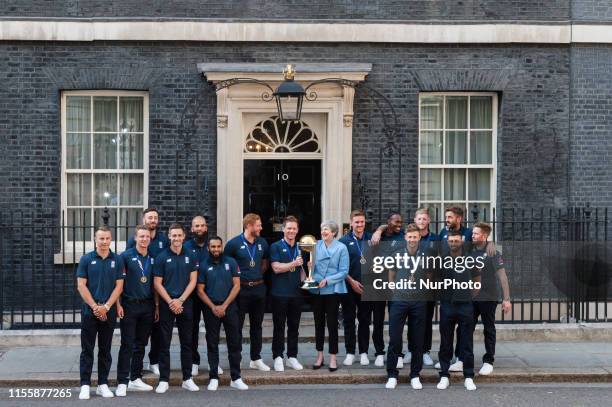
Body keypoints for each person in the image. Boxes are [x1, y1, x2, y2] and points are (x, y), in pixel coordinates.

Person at [76, 226, 125, 400]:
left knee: (105, 349)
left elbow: (119, 286)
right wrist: (96, 307)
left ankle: (103, 384)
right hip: (90, 311)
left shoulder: (117, 260)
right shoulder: (86, 259)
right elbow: (81, 285)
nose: (104, 242)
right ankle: (85, 384)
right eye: (101, 239)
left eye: (107, 239)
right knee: (87, 349)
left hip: (109, 312)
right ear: (95, 239)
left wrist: (107, 307)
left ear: (111, 239)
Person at [385, 224, 434, 390]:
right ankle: (392, 374)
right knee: (395, 339)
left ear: (419, 237)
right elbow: (391, 274)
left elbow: (429, 277)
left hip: (418, 302)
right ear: (405, 237)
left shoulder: (426, 255)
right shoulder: (397, 254)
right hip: (399, 301)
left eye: (415, 237)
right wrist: (393, 287)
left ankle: (415, 375)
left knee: (417, 340)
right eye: (410, 237)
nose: (412, 240)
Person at [197, 236, 248, 391]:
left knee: (234, 342)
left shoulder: (231, 262)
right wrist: (213, 307)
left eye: (218, 246)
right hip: (210, 308)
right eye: (213, 247)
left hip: (230, 307)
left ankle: (236, 377)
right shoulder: (203, 265)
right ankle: (213, 377)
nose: (216, 249)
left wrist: (224, 306)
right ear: (208, 248)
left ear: (222, 247)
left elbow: (237, 286)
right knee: (212, 343)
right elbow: (200, 290)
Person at [153, 223, 199, 393]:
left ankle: (187, 378)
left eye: (179, 235)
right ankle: (164, 379)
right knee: (164, 343)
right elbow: (157, 283)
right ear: (169, 237)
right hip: (167, 304)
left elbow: (193, 280)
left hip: (185, 303)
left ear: (184, 236)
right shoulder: (161, 256)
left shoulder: (191, 255)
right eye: (174, 235)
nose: (177, 238)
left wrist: (180, 300)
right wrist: (171, 301)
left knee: (187, 342)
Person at [224, 213, 271, 371]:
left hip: (258, 288)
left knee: (257, 326)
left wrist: (256, 276)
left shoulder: (262, 242)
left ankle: (256, 358)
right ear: (249, 226)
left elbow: (265, 263)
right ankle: (236, 358)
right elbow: (227, 266)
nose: (261, 228)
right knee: (237, 326)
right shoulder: (233, 244)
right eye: (258, 225)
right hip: (240, 290)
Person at [115, 225, 157, 396]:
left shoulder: (153, 258)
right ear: (135, 238)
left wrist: (156, 306)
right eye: (141, 236)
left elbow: (155, 284)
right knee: (127, 344)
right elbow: (118, 283)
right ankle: (122, 381)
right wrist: (118, 304)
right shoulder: (125, 256)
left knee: (141, 344)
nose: (144, 239)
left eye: (147, 236)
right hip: (129, 305)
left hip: (147, 305)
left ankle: (135, 378)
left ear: (150, 238)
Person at [127, 208, 169, 377]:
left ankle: (154, 361)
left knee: (157, 331)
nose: (153, 220)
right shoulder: (133, 241)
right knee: (137, 336)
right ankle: (135, 367)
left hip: (157, 288)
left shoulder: (163, 240)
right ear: (144, 220)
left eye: (155, 218)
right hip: (137, 290)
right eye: (150, 217)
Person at [437, 231, 480, 391]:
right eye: (451, 241)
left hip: (465, 306)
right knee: (445, 344)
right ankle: (444, 375)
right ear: (448, 242)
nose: (453, 243)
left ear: (461, 241)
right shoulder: (441, 259)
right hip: (447, 305)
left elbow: (477, 281)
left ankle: (468, 376)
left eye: (456, 240)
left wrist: (468, 295)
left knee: (466, 343)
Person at [470, 222, 511, 376]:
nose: (472, 235)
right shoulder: (469, 249)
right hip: (471, 297)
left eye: (475, 233)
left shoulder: (493, 253)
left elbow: (502, 276)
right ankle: (463, 358)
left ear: (484, 236)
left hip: (488, 297)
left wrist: (506, 299)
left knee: (489, 329)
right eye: (472, 233)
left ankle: (488, 361)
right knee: (466, 328)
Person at [338, 210, 376, 366]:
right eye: (357, 222)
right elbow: (339, 266)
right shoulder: (343, 241)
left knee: (365, 321)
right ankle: (349, 352)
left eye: (362, 221)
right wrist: (352, 281)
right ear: (351, 223)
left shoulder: (371, 239)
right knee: (348, 321)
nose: (360, 224)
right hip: (348, 286)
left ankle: (364, 352)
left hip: (366, 287)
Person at [184, 215, 220, 377]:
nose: (199, 229)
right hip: (190, 295)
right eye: (196, 226)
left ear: (206, 228)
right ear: (192, 229)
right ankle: (194, 361)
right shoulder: (185, 247)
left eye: (202, 226)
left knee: (213, 331)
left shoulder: (212, 246)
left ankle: (214, 362)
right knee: (191, 330)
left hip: (209, 294)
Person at [311, 220, 349, 372]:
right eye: (322, 229)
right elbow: (312, 266)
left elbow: (344, 271)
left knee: (332, 325)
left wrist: (328, 280)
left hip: (333, 290)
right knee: (318, 324)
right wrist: (309, 268)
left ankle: (333, 357)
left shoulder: (341, 248)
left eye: (326, 229)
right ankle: (319, 356)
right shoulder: (315, 245)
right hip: (317, 290)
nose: (323, 232)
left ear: (334, 232)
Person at [269, 216, 306, 371]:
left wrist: (307, 269)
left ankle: (292, 356)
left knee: (294, 327)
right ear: (283, 229)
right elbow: (276, 268)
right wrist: (294, 263)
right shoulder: (276, 246)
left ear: (297, 230)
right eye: (288, 228)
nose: (291, 231)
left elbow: (303, 274)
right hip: (280, 293)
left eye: (294, 228)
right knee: (279, 327)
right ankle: (278, 357)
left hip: (296, 293)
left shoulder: (301, 248)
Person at [370, 212, 404, 367]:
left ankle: (397, 353)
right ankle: (379, 352)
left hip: (395, 284)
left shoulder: (403, 236)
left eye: (401, 222)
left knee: (396, 320)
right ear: (388, 222)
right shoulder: (378, 236)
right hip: (378, 283)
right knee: (377, 320)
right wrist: (379, 230)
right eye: (396, 222)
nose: (399, 224)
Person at [413, 208, 439, 367]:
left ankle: (425, 351)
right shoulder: (410, 237)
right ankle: (412, 349)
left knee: (426, 320)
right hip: (411, 287)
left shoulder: (435, 239)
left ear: (428, 220)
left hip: (429, 287)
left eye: (424, 219)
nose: (421, 221)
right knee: (412, 320)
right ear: (415, 220)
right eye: (419, 219)